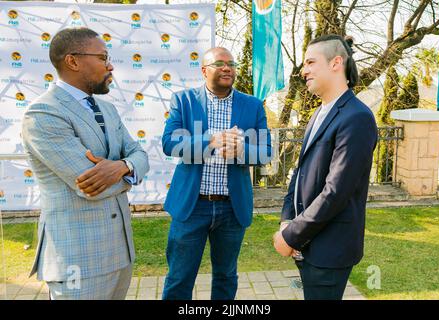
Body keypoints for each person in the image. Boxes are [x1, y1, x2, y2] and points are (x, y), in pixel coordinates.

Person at [22, 27, 149, 300]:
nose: (111, 65)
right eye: (103, 57)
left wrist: (122, 166)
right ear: (73, 61)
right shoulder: (43, 114)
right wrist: (132, 169)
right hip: (77, 261)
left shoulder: (108, 109)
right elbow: (91, 185)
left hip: (120, 253)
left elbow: (140, 154)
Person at [161, 47, 272, 300]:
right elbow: (170, 143)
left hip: (231, 209)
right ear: (204, 70)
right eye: (219, 63)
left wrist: (242, 148)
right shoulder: (183, 100)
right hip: (192, 206)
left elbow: (265, 152)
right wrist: (211, 140)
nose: (227, 68)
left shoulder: (252, 106)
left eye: (231, 63)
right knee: (179, 278)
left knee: (225, 276)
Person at [273, 34, 378, 300]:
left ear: (336, 63)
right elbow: (299, 174)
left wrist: (291, 236)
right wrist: (287, 220)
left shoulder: (357, 118)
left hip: (330, 249)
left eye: (310, 62)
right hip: (307, 244)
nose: (303, 70)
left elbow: (336, 192)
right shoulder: (318, 114)